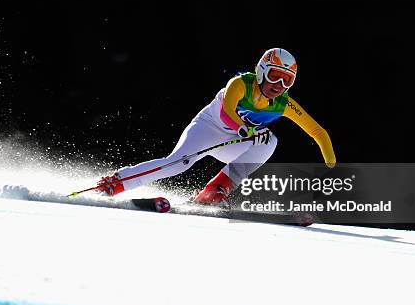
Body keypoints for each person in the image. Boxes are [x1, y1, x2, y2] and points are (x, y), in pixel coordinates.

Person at [96, 48, 336, 206]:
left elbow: (318, 132)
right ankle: (115, 183)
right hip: (208, 128)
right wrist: (245, 128)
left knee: (270, 141)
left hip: (234, 141)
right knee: (177, 163)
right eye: (274, 75)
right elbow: (228, 111)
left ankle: (215, 190)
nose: (279, 84)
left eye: (287, 80)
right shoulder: (241, 84)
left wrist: (331, 163)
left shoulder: (284, 104)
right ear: (261, 71)